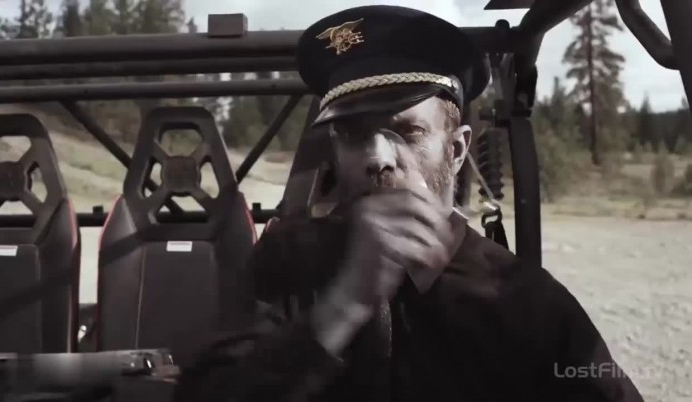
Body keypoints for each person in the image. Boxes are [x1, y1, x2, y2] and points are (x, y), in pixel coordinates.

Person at [174, 5, 644, 402]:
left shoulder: (520, 299)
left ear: (456, 150)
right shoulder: (287, 261)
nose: (378, 157)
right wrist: (340, 309)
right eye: (354, 134)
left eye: (407, 131)